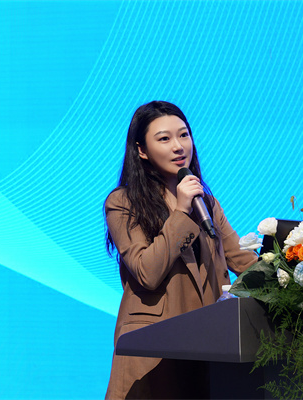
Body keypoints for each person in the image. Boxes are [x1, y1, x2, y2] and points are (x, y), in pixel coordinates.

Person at [104, 101, 257, 399]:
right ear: (141, 150)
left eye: (183, 135)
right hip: (153, 353)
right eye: (164, 138)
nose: (178, 146)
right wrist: (181, 211)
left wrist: (294, 275)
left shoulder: (207, 204)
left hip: (208, 347)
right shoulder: (123, 202)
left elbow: (243, 261)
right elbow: (146, 272)